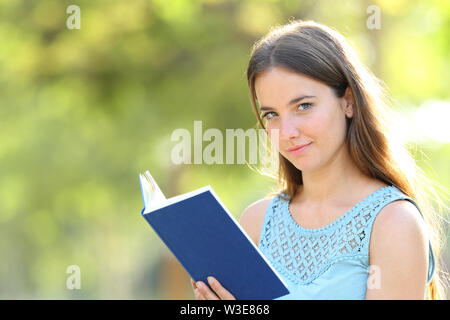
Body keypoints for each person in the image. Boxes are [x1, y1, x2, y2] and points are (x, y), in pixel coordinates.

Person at [190, 20, 446, 300]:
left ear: (348, 101)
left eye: (303, 106)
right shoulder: (256, 222)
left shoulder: (394, 223)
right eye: (271, 115)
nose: (287, 132)